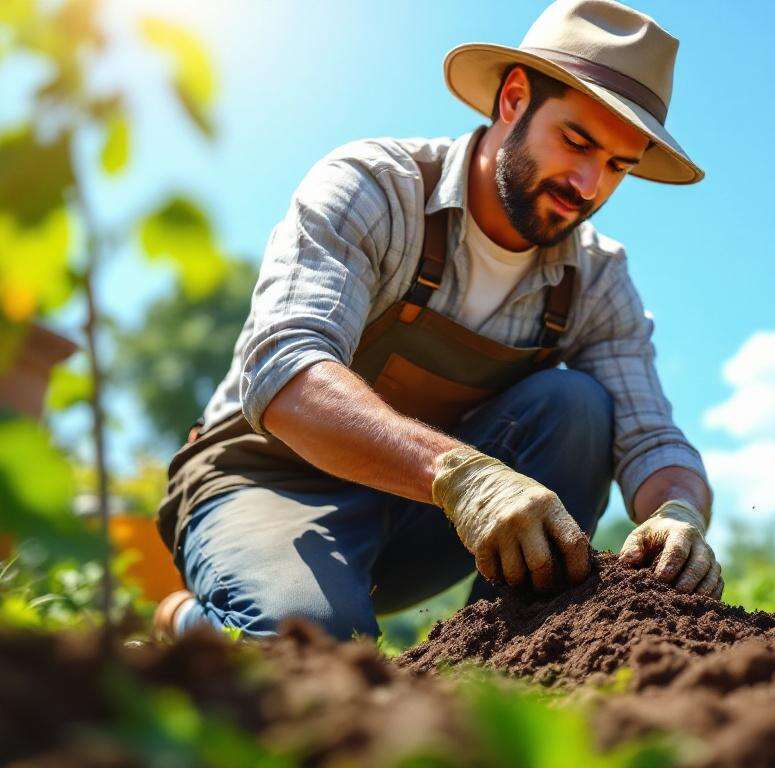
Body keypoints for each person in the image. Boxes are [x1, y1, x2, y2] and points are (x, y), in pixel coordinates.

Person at [152, 0, 720, 640]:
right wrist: (463, 478)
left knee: (577, 406)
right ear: (512, 100)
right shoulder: (375, 188)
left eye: (619, 165)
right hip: (266, 486)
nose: (589, 184)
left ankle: (518, 662)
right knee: (318, 657)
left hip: (422, 524)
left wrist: (679, 511)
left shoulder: (595, 280)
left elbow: (650, 437)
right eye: (577, 141)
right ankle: (193, 631)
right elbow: (284, 371)